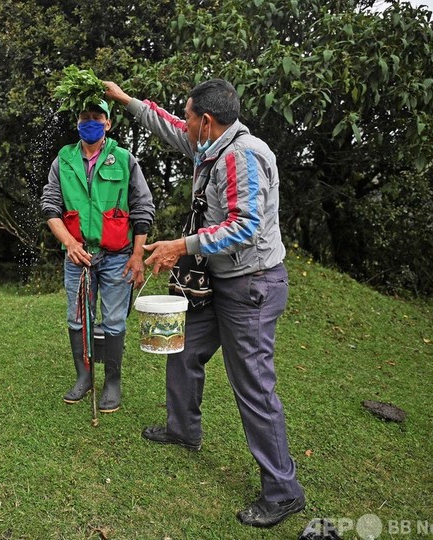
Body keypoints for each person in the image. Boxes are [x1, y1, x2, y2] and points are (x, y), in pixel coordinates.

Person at [105, 79, 305, 527]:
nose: (187, 123)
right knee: (184, 347)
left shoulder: (241, 156)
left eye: (192, 116)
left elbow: (245, 226)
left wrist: (182, 246)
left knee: (253, 385)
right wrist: (127, 101)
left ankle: (283, 491)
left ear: (208, 121)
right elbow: (172, 127)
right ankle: (183, 429)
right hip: (220, 282)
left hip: (250, 286)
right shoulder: (211, 145)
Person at [41, 100, 155, 413]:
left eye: (96, 117)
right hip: (78, 255)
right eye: (84, 117)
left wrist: (137, 255)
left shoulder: (124, 159)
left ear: (107, 123)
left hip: (118, 255)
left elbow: (143, 207)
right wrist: (70, 243)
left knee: (115, 319)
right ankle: (84, 376)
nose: (90, 122)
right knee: (77, 318)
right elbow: (50, 205)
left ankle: (113, 383)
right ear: (77, 122)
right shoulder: (63, 159)